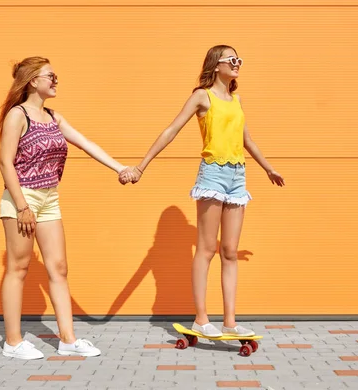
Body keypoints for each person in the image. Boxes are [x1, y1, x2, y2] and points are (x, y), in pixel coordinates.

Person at [120, 45, 285, 337]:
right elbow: (171, 130)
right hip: (213, 174)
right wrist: (142, 166)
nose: (237, 64)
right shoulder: (202, 96)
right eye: (232, 60)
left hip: (237, 175)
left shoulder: (236, 100)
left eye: (240, 60)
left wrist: (268, 168)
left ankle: (230, 322)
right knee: (207, 249)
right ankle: (201, 318)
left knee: (230, 251)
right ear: (216, 65)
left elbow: (247, 139)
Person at [0, 56, 126, 359]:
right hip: (21, 196)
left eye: (55, 76)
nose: (55, 80)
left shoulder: (54, 117)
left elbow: (86, 143)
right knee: (19, 267)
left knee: (59, 268)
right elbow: (4, 162)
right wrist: (23, 206)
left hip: (49, 197)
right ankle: (12, 343)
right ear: (32, 81)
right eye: (50, 76)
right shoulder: (18, 115)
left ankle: (68, 339)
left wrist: (120, 168)